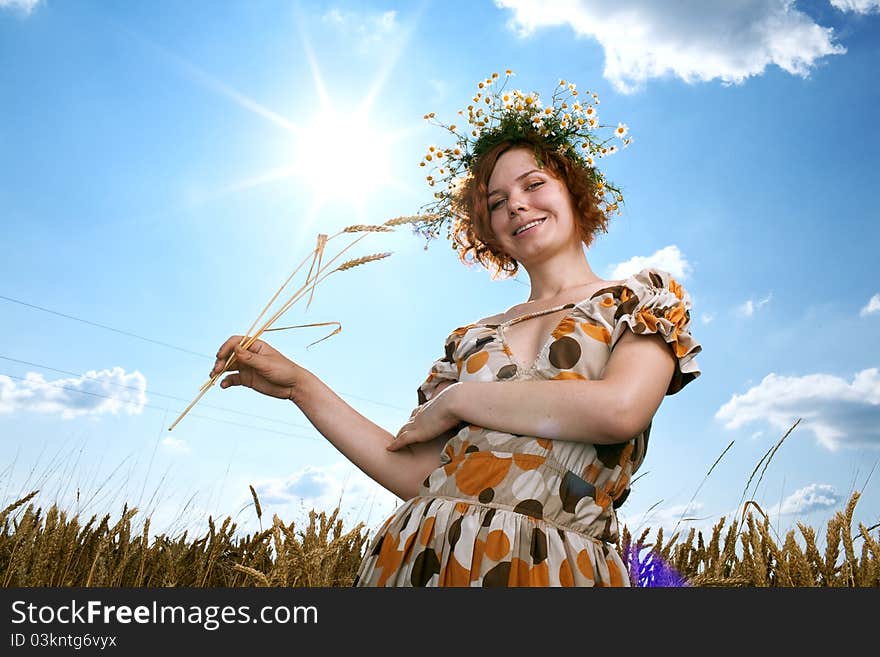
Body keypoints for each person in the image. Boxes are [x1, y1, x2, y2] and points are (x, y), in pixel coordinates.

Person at [210, 73, 702, 586]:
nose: (515, 204)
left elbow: (620, 411)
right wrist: (300, 386)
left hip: (555, 566)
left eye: (533, 185)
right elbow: (415, 475)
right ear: (487, 231)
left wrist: (459, 400)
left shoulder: (639, 301)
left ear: (575, 193)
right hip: (425, 555)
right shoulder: (469, 340)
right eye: (496, 201)